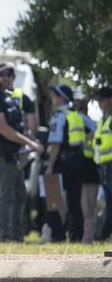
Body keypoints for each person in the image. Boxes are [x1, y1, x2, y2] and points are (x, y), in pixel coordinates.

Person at [0, 62, 43, 242]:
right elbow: (4, 130)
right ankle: (6, 235)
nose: (8, 77)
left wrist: (29, 140)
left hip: (14, 154)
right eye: (3, 73)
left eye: (11, 74)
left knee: (20, 194)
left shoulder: (9, 98)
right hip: (1, 155)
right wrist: (30, 143)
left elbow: (19, 126)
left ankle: (17, 235)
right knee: (7, 195)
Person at [45, 85, 96, 242]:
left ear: (61, 98)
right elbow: (95, 127)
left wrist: (50, 166)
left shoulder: (59, 116)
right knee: (75, 201)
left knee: (53, 198)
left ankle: (57, 235)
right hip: (78, 162)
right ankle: (76, 235)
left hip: (62, 162)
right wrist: (83, 141)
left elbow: (55, 144)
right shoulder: (78, 115)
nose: (54, 99)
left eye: (55, 96)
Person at [74, 97, 100, 243]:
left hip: (89, 169)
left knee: (88, 208)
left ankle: (88, 238)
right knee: (87, 208)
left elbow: (96, 131)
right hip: (85, 169)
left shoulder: (83, 120)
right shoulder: (82, 120)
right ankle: (87, 238)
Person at [95, 86, 112, 241]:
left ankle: (103, 236)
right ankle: (104, 235)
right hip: (104, 167)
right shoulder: (103, 121)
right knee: (108, 201)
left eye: (101, 99)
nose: (99, 103)